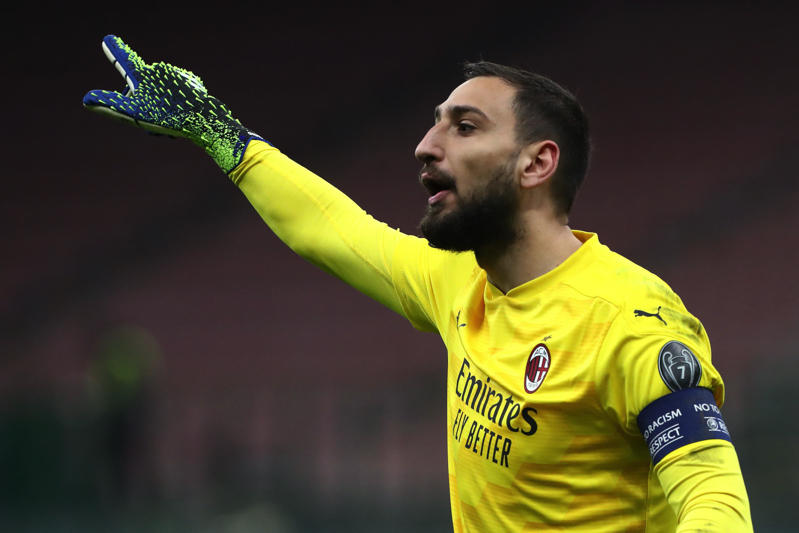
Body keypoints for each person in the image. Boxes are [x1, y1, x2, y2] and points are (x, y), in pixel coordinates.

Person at [83, 35, 753, 533]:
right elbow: (334, 232)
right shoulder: (462, 279)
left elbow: (713, 500)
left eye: (464, 127)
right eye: (435, 122)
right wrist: (221, 135)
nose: (426, 145)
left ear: (536, 164)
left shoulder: (628, 322)